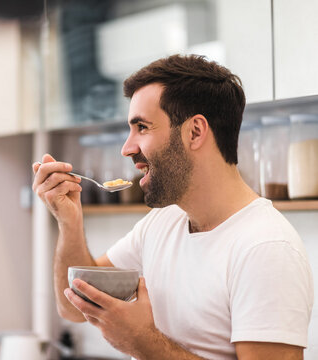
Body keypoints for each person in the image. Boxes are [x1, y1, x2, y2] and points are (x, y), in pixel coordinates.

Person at [31, 54, 313, 360]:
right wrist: (69, 220)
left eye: (142, 127)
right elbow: (73, 304)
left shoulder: (266, 248)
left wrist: (141, 341)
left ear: (194, 132)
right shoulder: (162, 223)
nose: (127, 148)